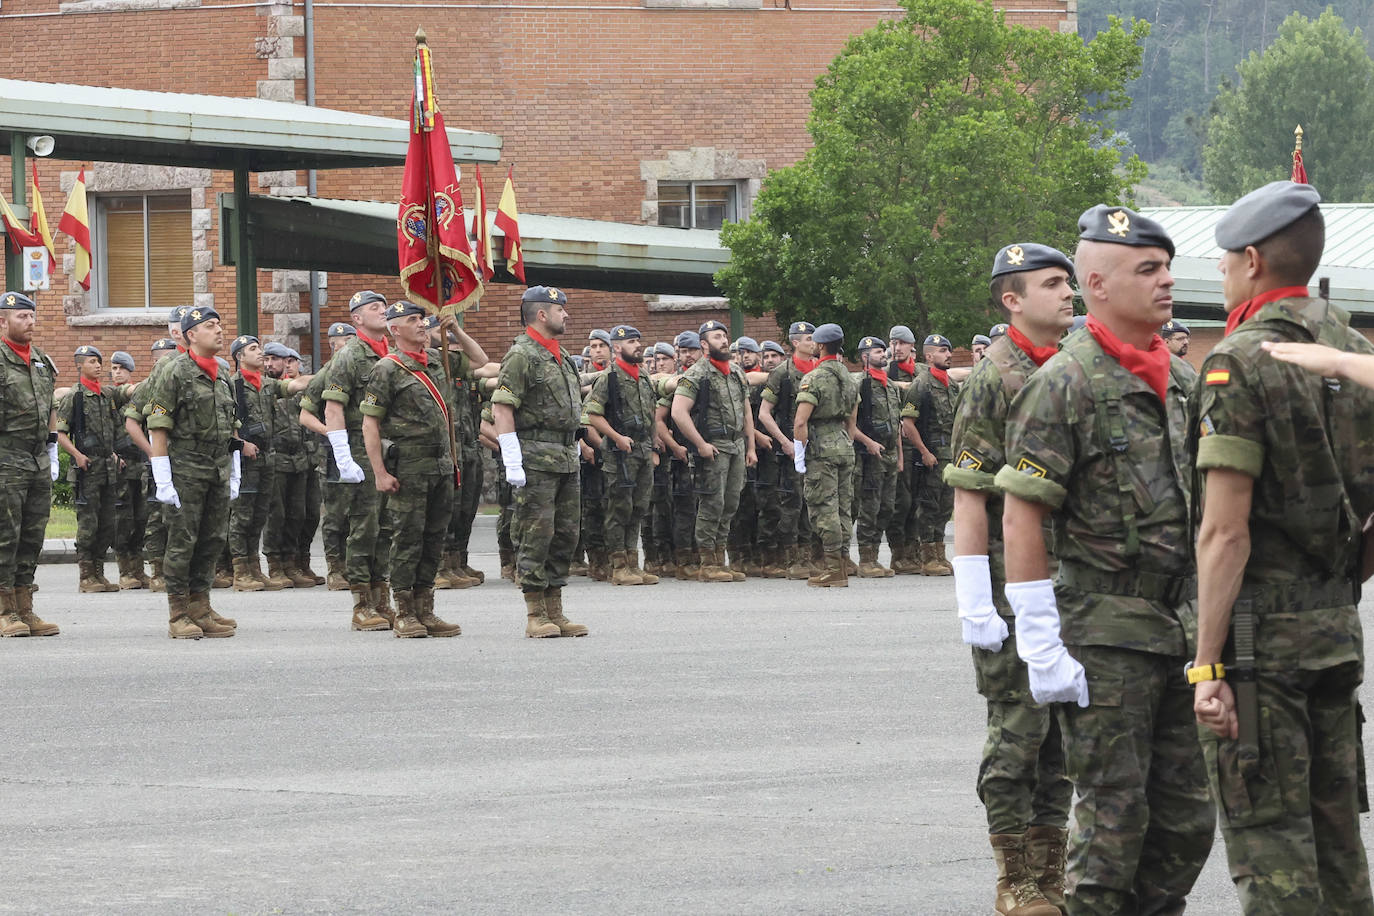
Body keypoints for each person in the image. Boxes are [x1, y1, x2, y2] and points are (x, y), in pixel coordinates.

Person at [997, 205, 1214, 912]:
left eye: (1167, 269)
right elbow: (1023, 510)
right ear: (1096, 282)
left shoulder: (1181, 383)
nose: (1166, 283)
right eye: (1146, 270)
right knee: (1113, 827)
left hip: (1180, 626)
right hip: (1105, 633)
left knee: (1185, 823)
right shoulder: (1064, 383)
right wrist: (1038, 640)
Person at [1189, 181, 1373, 912]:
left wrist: (1207, 662)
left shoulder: (1239, 358)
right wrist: (1341, 584)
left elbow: (1224, 531)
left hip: (1260, 641)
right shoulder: (1353, 350)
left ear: (1255, 261)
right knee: (1337, 849)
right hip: (1334, 624)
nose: (1225, 272)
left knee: (1272, 853)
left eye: (1229, 261)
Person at [945, 243, 1077, 915]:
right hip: (1006, 584)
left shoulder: (1071, 368)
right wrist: (975, 600)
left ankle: (1051, 874)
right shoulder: (993, 377)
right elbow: (971, 493)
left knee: (1061, 740)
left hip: (1067, 583)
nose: (1070, 294)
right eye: (1053, 284)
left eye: (1070, 282)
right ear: (1012, 299)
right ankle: (1015, 878)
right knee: (1019, 736)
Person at [360, 301, 464, 638]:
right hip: (409, 466)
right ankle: (404, 611)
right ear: (395, 329)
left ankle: (426, 609)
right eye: (413, 320)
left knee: (434, 539)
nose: (422, 325)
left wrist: (457, 331)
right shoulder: (387, 369)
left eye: (422, 319)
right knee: (407, 539)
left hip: (440, 465)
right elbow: (370, 424)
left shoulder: (436, 361)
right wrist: (379, 472)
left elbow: (477, 361)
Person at [492, 286, 588, 638]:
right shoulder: (522, 355)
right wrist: (512, 459)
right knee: (537, 534)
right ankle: (535, 613)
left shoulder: (560, 356)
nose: (567, 315)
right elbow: (502, 408)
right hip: (535, 458)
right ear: (542, 315)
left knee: (566, 534)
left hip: (564, 456)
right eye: (560, 310)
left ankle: (555, 610)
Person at [144, 306, 241, 639]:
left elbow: (232, 425)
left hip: (216, 469)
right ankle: (179, 613)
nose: (219, 330)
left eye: (219, 323)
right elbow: (158, 424)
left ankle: (201, 606)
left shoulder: (222, 373)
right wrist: (163, 477)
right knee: (182, 543)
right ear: (190, 335)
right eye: (210, 325)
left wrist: (235, 469)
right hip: (185, 469)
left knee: (212, 541)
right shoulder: (174, 370)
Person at [322, 291, 398, 632]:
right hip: (358, 444)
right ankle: (362, 603)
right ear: (357, 318)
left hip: (389, 445)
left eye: (383, 307)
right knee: (364, 528)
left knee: (386, 528)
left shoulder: (392, 353)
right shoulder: (350, 355)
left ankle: (382, 597)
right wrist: (343, 458)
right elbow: (333, 408)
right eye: (373, 308)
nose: (382, 312)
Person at [671, 319, 758, 582]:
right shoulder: (696, 374)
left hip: (736, 445)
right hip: (714, 446)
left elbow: (746, 410)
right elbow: (678, 412)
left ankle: (720, 558)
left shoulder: (735, 371)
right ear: (704, 345)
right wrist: (700, 444)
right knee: (712, 504)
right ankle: (708, 563)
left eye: (724, 335)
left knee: (730, 504)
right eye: (716, 337)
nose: (723, 340)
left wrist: (751, 445)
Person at [226, 335, 310, 591]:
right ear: (240, 357)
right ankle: (240, 571)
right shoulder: (233, 385)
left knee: (260, 514)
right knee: (242, 515)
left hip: (267, 457)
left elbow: (295, 386)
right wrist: (240, 444)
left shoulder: (266, 384)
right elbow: (226, 419)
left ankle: (254, 567)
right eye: (253, 349)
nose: (260, 353)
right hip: (246, 458)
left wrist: (330, 371)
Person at [0, 291, 59, 637]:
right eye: (21, 316)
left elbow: (50, 405)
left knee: (32, 536)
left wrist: (51, 447)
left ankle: (25, 606)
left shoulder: (40, 361)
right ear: (4, 321)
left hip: (36, 458)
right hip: (6, 458)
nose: (29, 322)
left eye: (31, 316)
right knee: (6, 535)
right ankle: (5, 609)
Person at [583, 324, 660, 586]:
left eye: (639, 341)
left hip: (642, 449)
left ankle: (632, 563)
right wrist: (615, 437)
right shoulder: (609, 378)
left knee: (638, 507)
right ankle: (617, 566)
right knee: (619, 508)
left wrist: (654, 445)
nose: (638, 346)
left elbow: (651, 415)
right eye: (631, 342)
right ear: (617, 347)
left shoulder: (645, 377)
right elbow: (591, 414)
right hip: (619, 453)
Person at [57, 345, 133, 593]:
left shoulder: (106, 395)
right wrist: (77, 455)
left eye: (99, 361)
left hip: (108, 467)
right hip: (87, 468)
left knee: (107, 522)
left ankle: (99, 572)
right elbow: (60, 433)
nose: (98, 366)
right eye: (92, 362)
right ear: (80, 366)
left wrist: (112, 454)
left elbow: (109, 430)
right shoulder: (75, 396)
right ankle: (86, 576)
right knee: (88, 523)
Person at [792, 323, 858, 587]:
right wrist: (846, 441)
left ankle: (833, 569)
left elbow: (800, 422)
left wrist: (801, 452)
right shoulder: (849, 376)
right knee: (843, 507)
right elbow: (852, 417)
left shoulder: (815, 377)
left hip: (821, 446)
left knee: (823, 508)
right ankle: (841, 562)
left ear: (820, 346)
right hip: (843, 443)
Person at [123, 333, 183, 592]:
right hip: (159, 462)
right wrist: (152, 452)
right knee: (158, 518)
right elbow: (131, 423)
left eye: (168, 357)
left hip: (186, 461)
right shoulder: (148, 386)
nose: (162, 362)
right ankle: (158, 571)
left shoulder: (185, 378)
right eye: (157, 359)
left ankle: (181, 570)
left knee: (185, 518)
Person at [299, 321, 356, 590]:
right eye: (341, 341)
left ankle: (359, 566)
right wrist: (333, 434)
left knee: (365, 512)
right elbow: (305, 415)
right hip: (334, 454)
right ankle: (336, 568)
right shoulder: (328, 373)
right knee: (336, 514)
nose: (346, 345)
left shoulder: (370, 366)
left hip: (365, 451)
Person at [758, 321, 817, 579]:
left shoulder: (819, 370)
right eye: (808, 339)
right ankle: (790, 559)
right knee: (791, 504)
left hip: (816, 446)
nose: (813, 343)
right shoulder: (782, 373)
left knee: (811, 503)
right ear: (795, 342)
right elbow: (764, 414)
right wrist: (785, 441)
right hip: (792, 450)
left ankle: (808, 557)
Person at [260, 341, 317, 588]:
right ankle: (275, 564)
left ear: (288, 362)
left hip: (301, 458)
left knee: (299, 514)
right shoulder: (263, 387)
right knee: (277, 514)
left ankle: (293, 562)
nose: (269, 363)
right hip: (276, 457)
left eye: (275, 359)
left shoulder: (296, 390)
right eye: (266, 359)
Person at [900, 334, 958, 576]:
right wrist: (924, 451)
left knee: (946, 506)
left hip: (951, 454)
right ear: (930, 355)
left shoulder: (951, 385)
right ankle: (927, 557)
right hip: (932, 454)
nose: (949, 355)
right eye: (943, 351)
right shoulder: (920, 385)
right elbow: (908, 423)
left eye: (949, 351)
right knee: (928, 506)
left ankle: (939, 554)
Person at [851, 336, 902, 578]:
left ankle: (874, 555)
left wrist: (900, 455)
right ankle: (866, 558)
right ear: (865, 357)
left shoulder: (890, 386)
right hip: (869, 455)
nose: (884, 354)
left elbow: (897, 424)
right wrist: (867, 442)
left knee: (887, 507)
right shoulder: (858, 384)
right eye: (877, 351)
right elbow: (849, 423)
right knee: (869, 507)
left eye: (884, 350)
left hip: (890, 455)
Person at [886, 324, 922, 573]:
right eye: (892, 343)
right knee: (902, 500)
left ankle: (914, 550)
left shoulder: (920, 373)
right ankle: (898, 553)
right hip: (899, 446)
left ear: (912, 347)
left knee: (919, 499)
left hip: (921, 443)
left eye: (901, 343)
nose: (896, 348)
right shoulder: (886, 372)